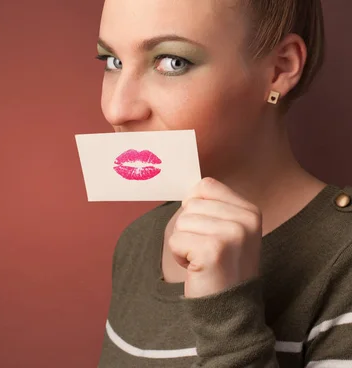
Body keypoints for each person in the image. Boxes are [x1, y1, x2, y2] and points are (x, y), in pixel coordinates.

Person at [95, 0, 352, 367]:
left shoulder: (345, 262)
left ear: (279, 69)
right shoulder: (136, 242)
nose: (116, 109)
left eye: (172, 62)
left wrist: (227, 316)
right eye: (113, 61)